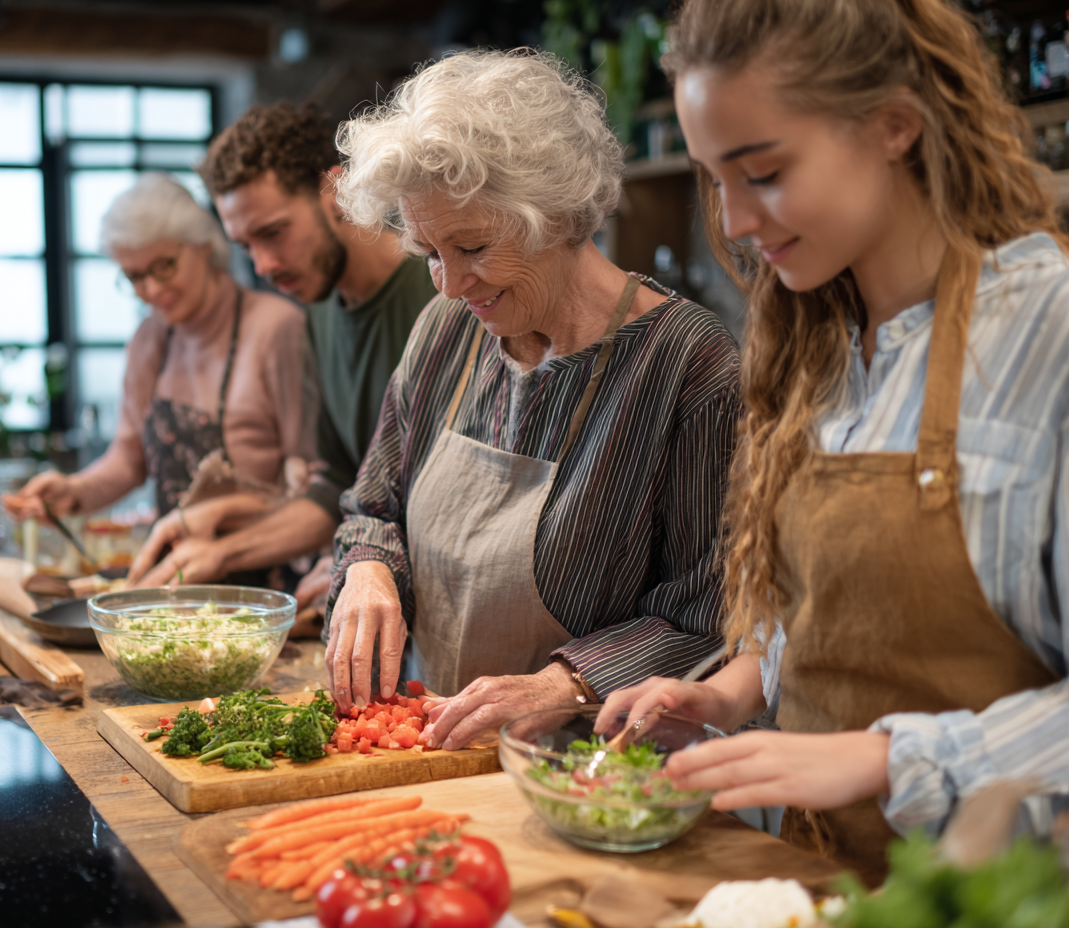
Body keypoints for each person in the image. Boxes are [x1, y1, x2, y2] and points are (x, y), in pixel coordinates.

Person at [598, 0, 1069, 885]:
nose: (735, 220)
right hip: (818, 881)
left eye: (763, 173)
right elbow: (820, 617)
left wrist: (886, 758)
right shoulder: (811, 347)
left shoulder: (1048, 329)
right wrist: (728, 693)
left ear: (894, 125)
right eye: (715, 180)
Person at [326, 49, 740, 749]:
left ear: (556, 215)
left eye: (473, 247)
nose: (449, 284)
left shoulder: (688, 364)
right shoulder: (445, 331)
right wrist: (368, 569)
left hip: (593, 769)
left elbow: (707, 617)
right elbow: (373, 507)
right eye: (429, 253)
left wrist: (563, 685)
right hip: (430, 745)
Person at [127, 104, 437, 624]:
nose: (263, 265)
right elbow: (334, 490)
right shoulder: (318, 311)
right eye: (246, 245)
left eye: (273, 232)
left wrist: (363, 560)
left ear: (335, 190)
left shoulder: (441, 294)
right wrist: (218, 546)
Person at [3, 174, 315, 541]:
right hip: (174, 560)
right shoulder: (148, 340)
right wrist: (74, 491)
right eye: (134, 276)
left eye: (164, 266)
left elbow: (310, 481)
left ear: (204, 245)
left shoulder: (275, 327)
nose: (151, 289)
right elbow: (128, 459)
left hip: (263, 556)